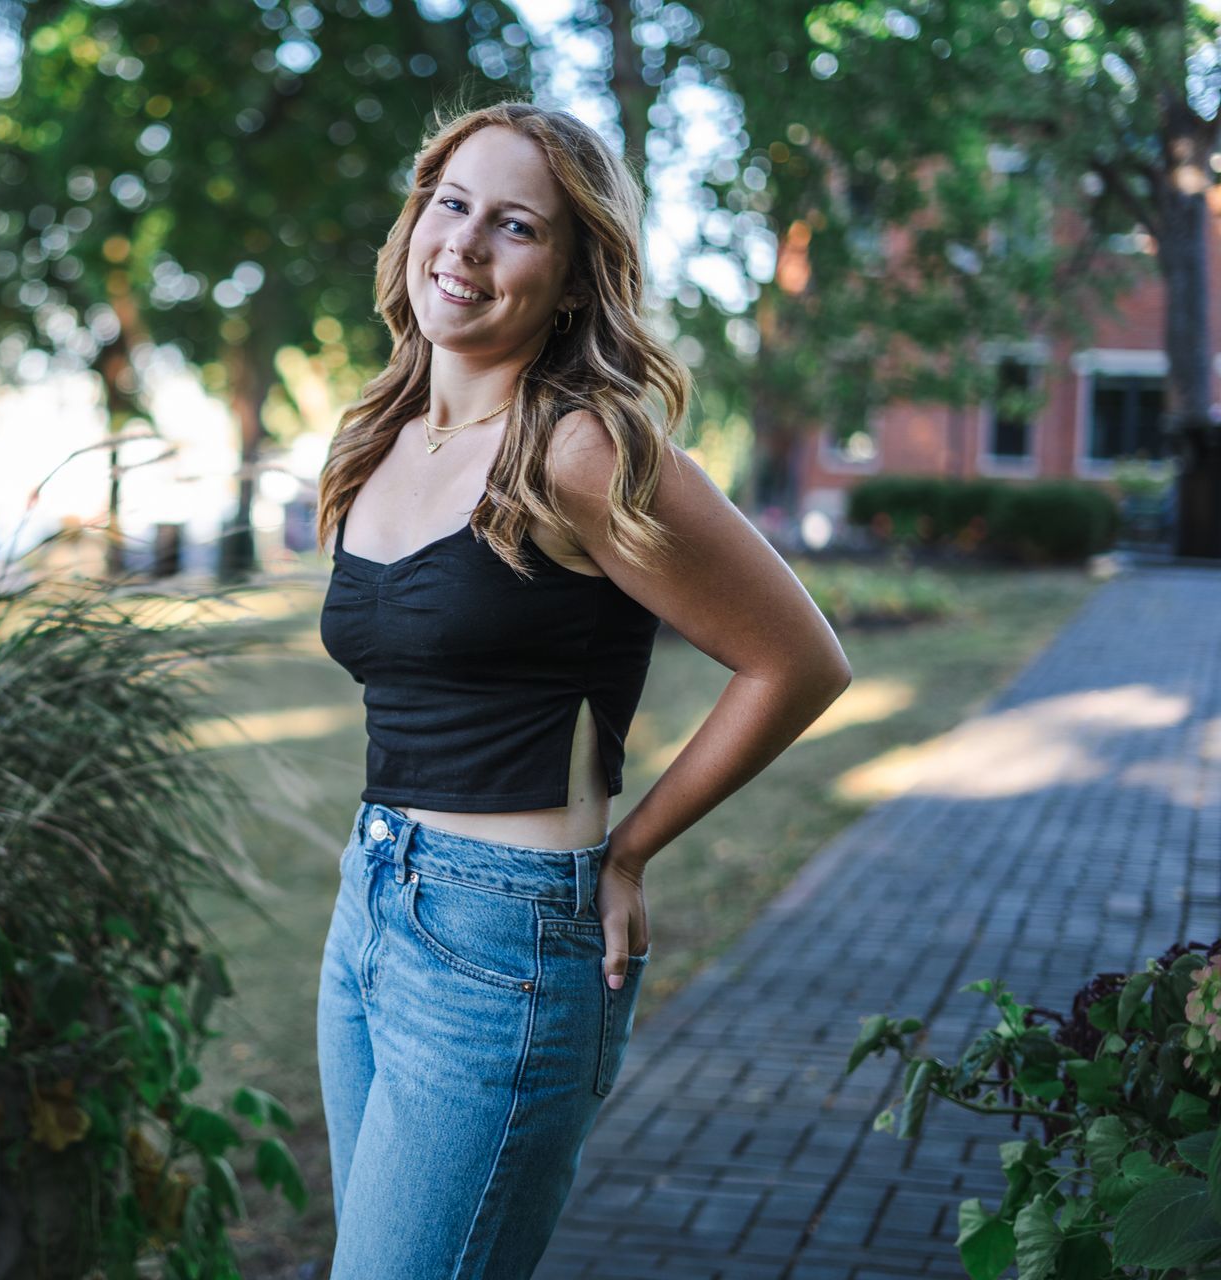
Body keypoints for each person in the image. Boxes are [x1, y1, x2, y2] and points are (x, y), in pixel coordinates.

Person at [313, 100, 854, 1280]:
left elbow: (798, 660)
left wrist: (629, 850)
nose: (464, 245)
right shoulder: (385, 433)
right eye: (451, 204)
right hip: (371, 901)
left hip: (505, 937)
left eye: (515, 225)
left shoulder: (582, 447)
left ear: (569, 277)